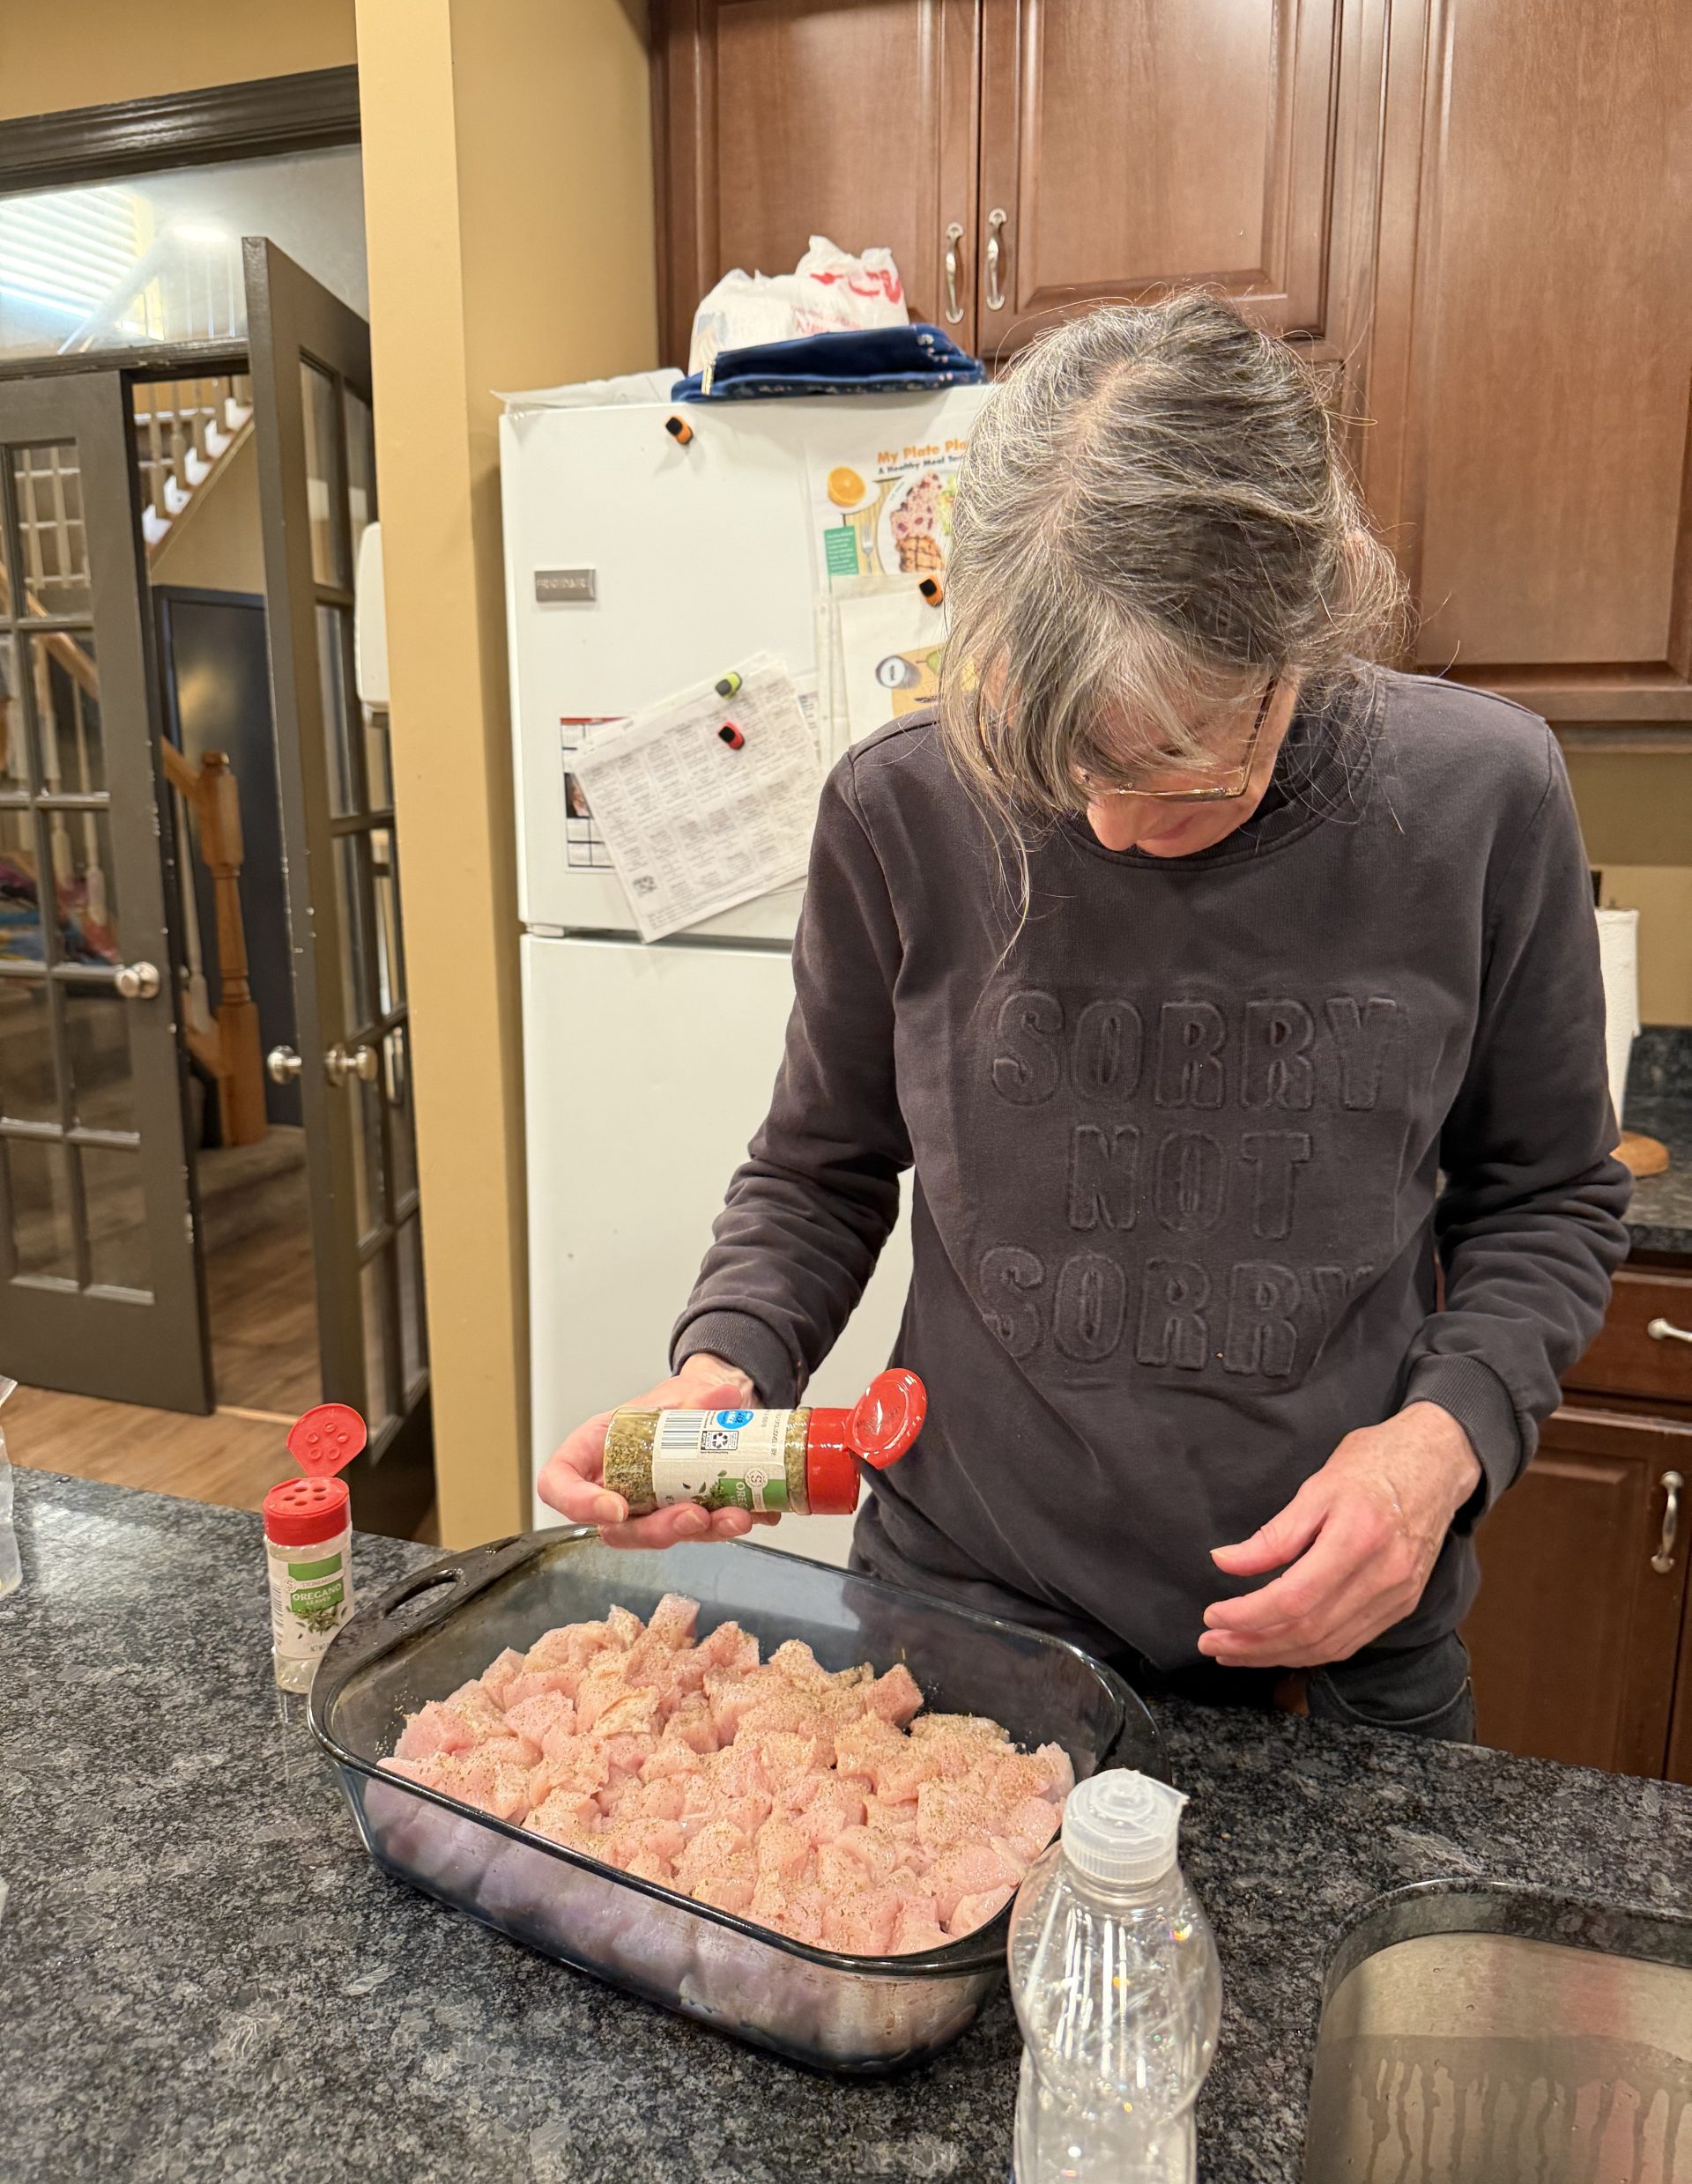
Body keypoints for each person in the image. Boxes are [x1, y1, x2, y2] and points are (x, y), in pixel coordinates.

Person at [539, 292, 1630, 1743]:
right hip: (965, 1617)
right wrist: (722, 1381)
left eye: (1178, 773)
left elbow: (1549, 1199)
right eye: (1060, 775)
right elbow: (821, 1166)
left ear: (1300, 636)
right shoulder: (900, 806)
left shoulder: (1481, 798)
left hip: (1338, 1653)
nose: (1112, 832)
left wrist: (1442, 1449)